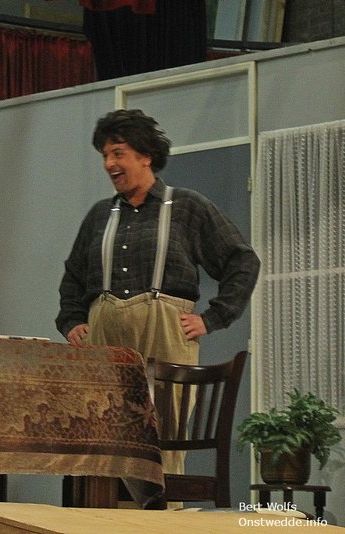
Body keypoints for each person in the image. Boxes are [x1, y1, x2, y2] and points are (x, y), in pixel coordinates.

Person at [55, 109, 260, 475]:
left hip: (165, 333)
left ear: (145, 156)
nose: (109, 163)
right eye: (105, 155)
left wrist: (213, 318)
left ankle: (161, 510)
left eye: (118, 153)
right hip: (105, 337)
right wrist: (72, 320)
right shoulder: (100, 215)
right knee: (103, 438)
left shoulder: (186, 206)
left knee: (163, 438)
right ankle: (102, 511)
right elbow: (73, 275)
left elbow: (242, 260)